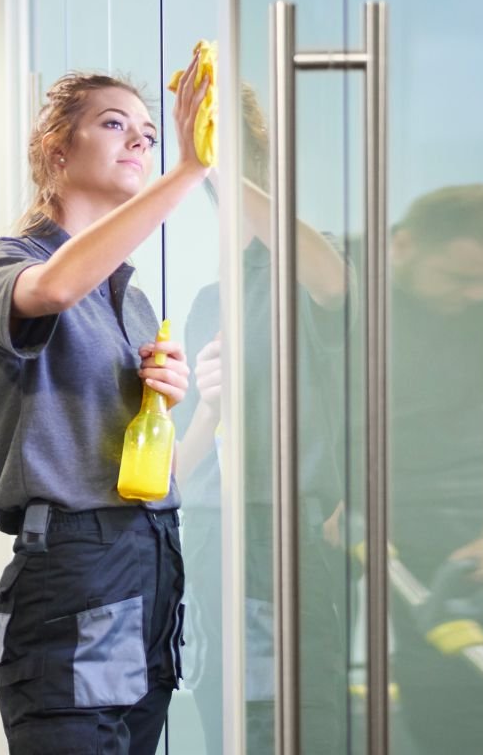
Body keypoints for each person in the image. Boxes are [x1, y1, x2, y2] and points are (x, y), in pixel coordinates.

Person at [0, 59, 217, 754]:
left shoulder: (131, 301)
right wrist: (188, 171)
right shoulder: (7, 263)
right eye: (114, 125)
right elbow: (49, 291)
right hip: (77, 569)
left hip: (149, 563)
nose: (139, 140)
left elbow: (148, 466)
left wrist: (166, 406)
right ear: (57, 152)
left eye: (147, 132)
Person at [179, 83, 352, 755]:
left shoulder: (315, 263)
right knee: (230, 716)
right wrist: (211, 409)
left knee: (303, 717)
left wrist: (219, 161)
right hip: (216, 531)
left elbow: (331, 282)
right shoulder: (207, 300)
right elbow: (184, 464)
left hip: (295, 532)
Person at [382, 184, 483, 755]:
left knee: (447, 676)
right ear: (403, 246)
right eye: (459, 278)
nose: (476, 294)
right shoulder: (348, 287)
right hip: (349, 497)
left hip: (454, 502)